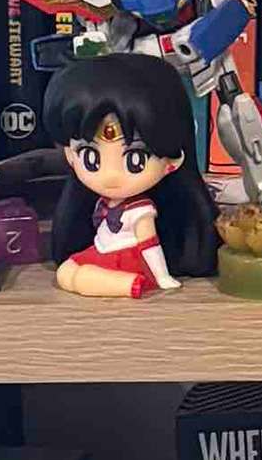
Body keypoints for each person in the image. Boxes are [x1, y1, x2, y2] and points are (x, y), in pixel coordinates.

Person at [47, 50, 209, 295]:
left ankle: (129, 284)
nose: (111, 175)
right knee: (66, 272)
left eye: (135, 160)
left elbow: (149, 244)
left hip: (128, 259)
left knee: (75, 276)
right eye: (90, 157)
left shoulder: (141, 211)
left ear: (172, 162)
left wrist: (163, 278)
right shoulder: (101, 203)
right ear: (70, 155)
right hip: (103, 252)